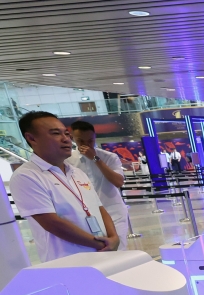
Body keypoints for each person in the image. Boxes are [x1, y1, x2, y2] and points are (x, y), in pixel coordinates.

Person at [8, 111, 120, 262]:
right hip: (67, 261)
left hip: (102, 255)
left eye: (66, 134)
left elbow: (99, 208)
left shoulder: (77, 172)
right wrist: (100, 243)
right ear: (31, 138)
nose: (66, 139)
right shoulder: (26, 176)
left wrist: (113, 237)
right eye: (55, 133)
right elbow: (52, 223)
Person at [67, 120, 129, 250]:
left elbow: (118, 182)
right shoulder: (67, 161)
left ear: (95, 137)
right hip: (87, 215)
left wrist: (96, 159)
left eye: (90, 140)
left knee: (118, 250)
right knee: (97, 252)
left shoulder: (109, 157)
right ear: (73, 139)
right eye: (81, 141)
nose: (86, 145)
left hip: (113, 211)